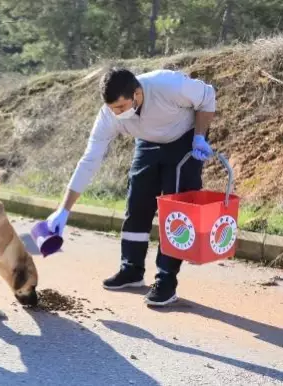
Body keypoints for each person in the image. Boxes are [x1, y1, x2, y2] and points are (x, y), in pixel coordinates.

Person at [46, 67, 216, 306]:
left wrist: (200, 136)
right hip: (147, 142)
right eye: (113, 109)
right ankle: (132, 269)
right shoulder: (109, 115)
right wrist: (64, 210)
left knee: (176, 213)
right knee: (137, 203)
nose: (117, 114)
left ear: (137, 94)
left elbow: (207, 96)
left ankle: (166, 280)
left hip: (183, 139)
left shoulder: (168, 85)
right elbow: (89, 160)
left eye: (122, 108)